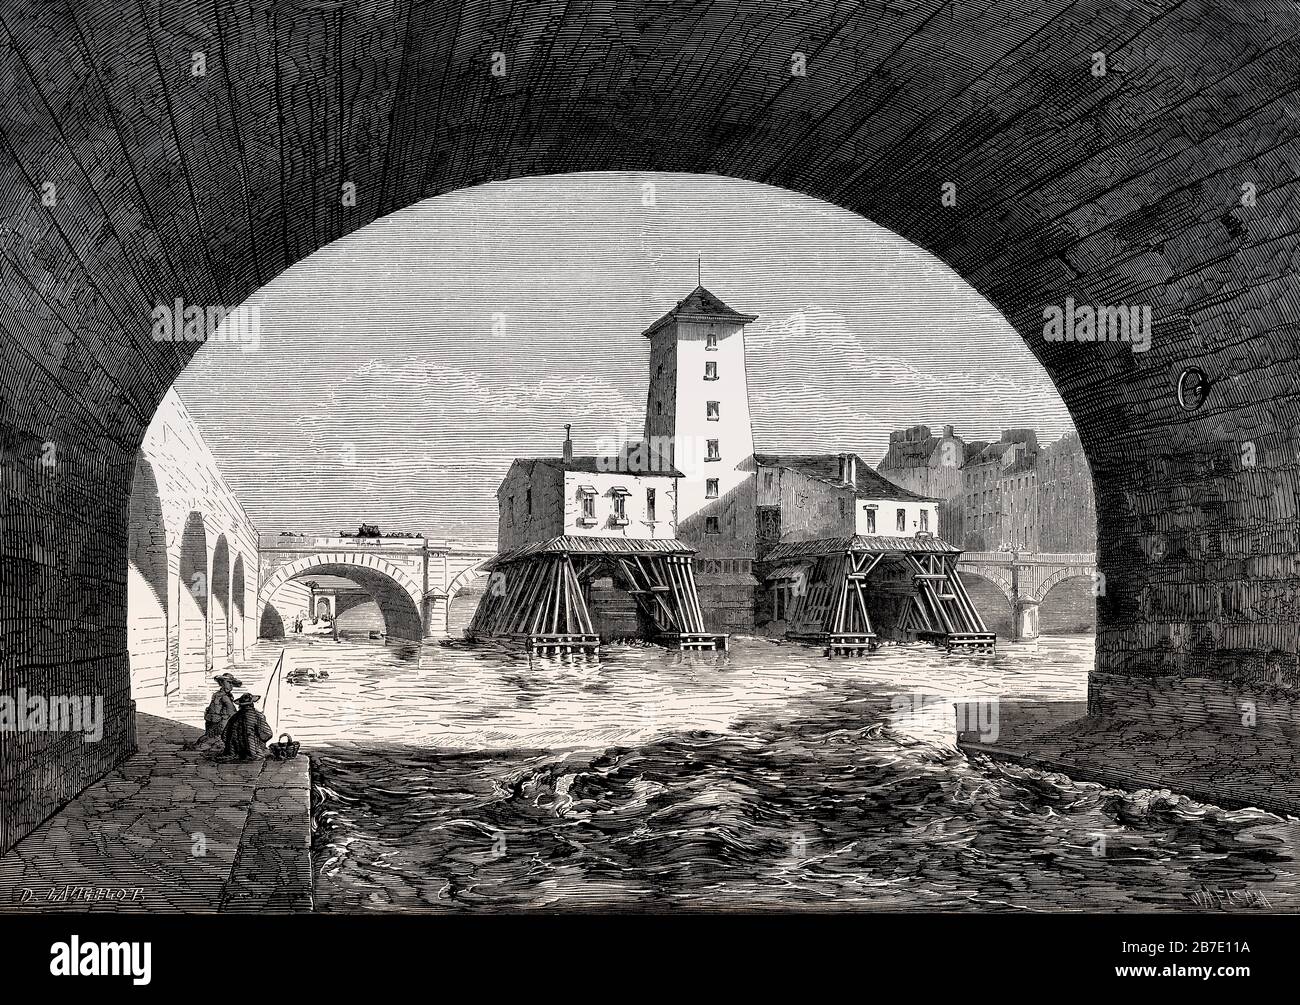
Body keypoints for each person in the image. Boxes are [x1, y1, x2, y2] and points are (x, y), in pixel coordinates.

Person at [190, 672, 242, 750]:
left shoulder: (219, 695)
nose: (231, 685)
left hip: (215, 725)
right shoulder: (223, 697)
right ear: (221, 683)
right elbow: (232, 713)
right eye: (228, 682)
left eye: (232, 683)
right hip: (219, 727)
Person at [219, 693, 273, 761]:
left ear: (240, 705)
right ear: (252, 704)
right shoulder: (258, 716)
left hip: (234, 753)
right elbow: (267, 734)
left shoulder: (234, 717)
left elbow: (224, 736)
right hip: (253, 754)